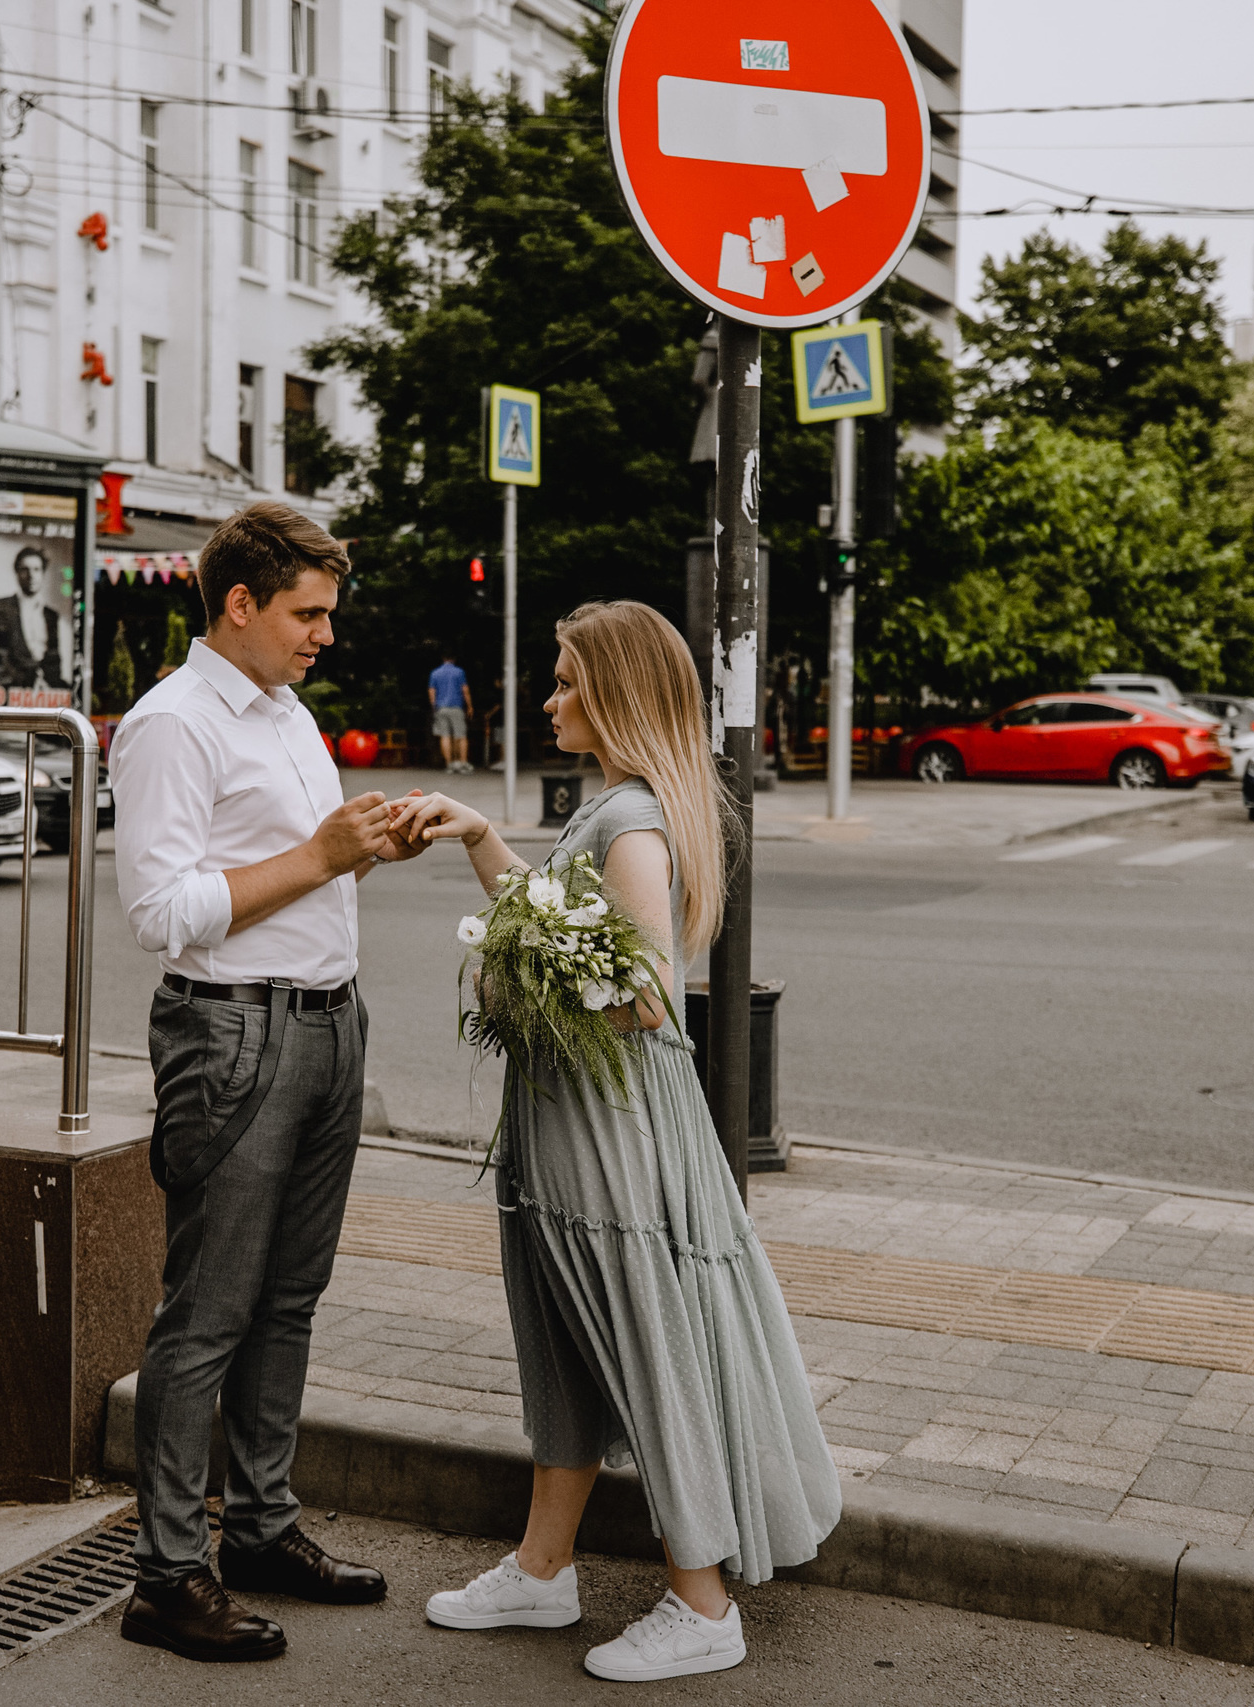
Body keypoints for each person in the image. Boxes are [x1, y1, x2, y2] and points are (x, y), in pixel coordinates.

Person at [386, 600, 840, 1684]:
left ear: (619, 694)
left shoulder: (633, 820)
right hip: (572, 1123)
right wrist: (483, 841)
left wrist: (521, 968)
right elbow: (571, 927)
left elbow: (642, 994)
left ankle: (701, 1602)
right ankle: (544, 1572)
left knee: (643, 1345)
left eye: (565, 682)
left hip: (613, 1137)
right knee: (566, 1345)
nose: (548, 699)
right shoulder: (615, 810)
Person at [108, 501, 425, 1662]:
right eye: (307, 613)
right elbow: (162, 912)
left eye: (328, 614)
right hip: (232, 1039)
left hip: (327, 1028)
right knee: (206, 1317)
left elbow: (292, 869)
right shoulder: (172, 724)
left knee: (289, 1298)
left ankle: (262, 1529)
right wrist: (320, 855)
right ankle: (167, 1575)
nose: (324, 636)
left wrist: (365, 843)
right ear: (238, 604)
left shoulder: (284, 709)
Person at [0, 545, 70, 689]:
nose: (31, 575)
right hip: (10, 695)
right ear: (17, 573)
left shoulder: (51, 615)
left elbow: (53, 660)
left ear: (43, 573)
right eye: (25, 569)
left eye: (37, 569)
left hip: (45, 697)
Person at [429, 651, 474, 773]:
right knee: (461, 736)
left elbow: (432, 691)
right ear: (454, 659)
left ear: (443, 658)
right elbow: (465, 690)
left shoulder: (435, 673)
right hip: (456, 706)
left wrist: (434, 707)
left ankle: (449, 764)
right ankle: (462, 763)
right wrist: (469, 706)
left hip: (441, 708)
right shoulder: (459, 672)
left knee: (445, 736)